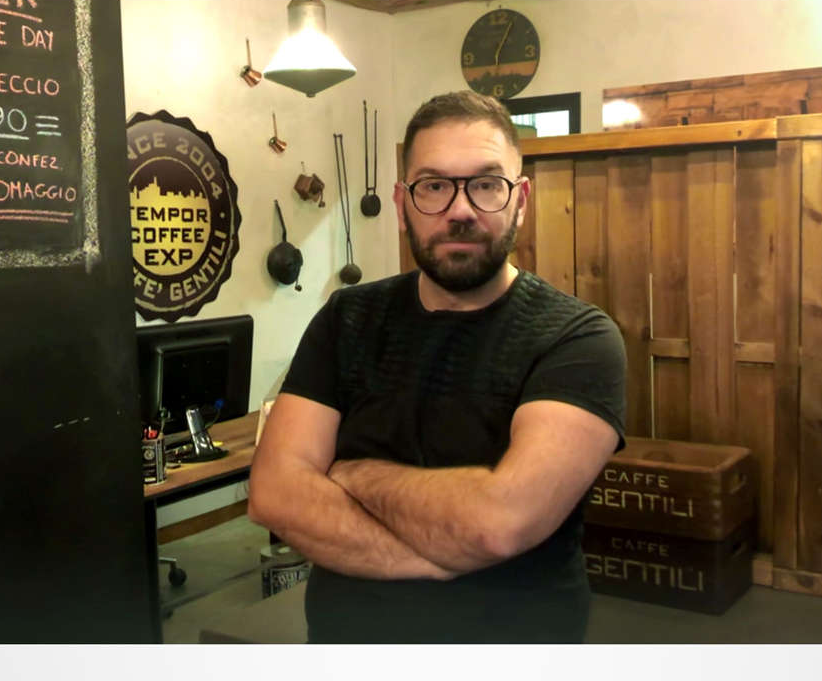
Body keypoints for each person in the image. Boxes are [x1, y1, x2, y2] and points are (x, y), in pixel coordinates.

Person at [247, 89, 626, 643]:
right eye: (433, 186)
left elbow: (501, 524)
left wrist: (355, 475)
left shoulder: (577, 338)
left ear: (521, 200)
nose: (461, 210)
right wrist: (434, 559)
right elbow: (275, 494)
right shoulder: (347, 319)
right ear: (402, 204)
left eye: (486, 184)